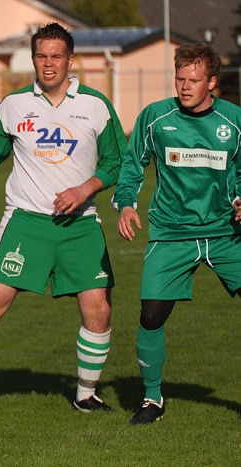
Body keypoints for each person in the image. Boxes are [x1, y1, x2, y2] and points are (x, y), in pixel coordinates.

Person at [0, 23, 127, 412]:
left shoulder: (96, 105)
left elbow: (117, 162)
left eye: (56, 56)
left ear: (70, 60)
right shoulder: (13, 104)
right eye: (41, 56)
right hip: (25, 222)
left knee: (99, 308)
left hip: (80, 225)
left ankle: (86, 394)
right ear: (33, 59)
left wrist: (85, 188)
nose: (48, 64)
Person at [113, 43, 241, 425]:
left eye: (194, 80)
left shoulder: (234, 120)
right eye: (180, 78)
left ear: (212, 82)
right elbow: (132, 165)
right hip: (171, 233)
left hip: (225, 233)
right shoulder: (156, 117)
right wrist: (126, 204)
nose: (185, 86)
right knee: (151, 314)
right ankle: (153, 399)